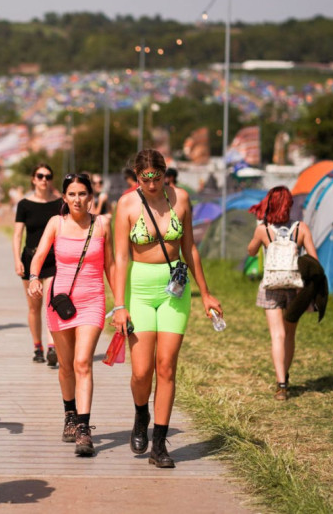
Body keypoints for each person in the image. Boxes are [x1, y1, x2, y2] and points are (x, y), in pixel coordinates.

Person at [111, 149, 223, 469]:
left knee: (166, 366)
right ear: (136, 176)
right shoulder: (126, 204)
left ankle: (159, 445)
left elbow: (189, 248)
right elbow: (120, 258)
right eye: (145, 179)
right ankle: (140, 413)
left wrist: (206, 293)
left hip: (176, 287)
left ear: (165, 174)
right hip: (141, 290)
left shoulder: (182, 199)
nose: (151, 185)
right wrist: (119, 305)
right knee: (141, 370)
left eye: (157, 178)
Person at [27, 173, 115, 457]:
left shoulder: (102, 225)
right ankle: (69, 414)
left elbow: (111, 266)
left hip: (92, 300)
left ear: (91, 196)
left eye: (82, 193)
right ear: (64, 198)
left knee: (82, 362)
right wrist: (33, 278)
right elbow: (39, 255)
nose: (78, 199)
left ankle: (84, 428)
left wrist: (122, 304)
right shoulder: (57, 223)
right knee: (65, 366)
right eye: (72, 194)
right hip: (61, 300)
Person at [246, 186, 318, 401]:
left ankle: (281, 384)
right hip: (295, 287)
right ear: (289, 205)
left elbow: (250, 251)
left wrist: (261, 235)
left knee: (277, 335)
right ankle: (285, 374)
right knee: (289, 334)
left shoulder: (263, 230)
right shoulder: (301, 228)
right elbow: (313, 260)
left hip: (271, 286)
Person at [13, 164, 64, 366]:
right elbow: (17, 234)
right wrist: (17, 259)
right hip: (30, 259)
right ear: (33, 179)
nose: (44, 179)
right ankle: (37, 347)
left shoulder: (59, 203)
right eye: (40, 176)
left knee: (51, 302)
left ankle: (53, 347)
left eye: (48, 176)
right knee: (34, 306)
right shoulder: (24, 204)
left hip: (54, 259)